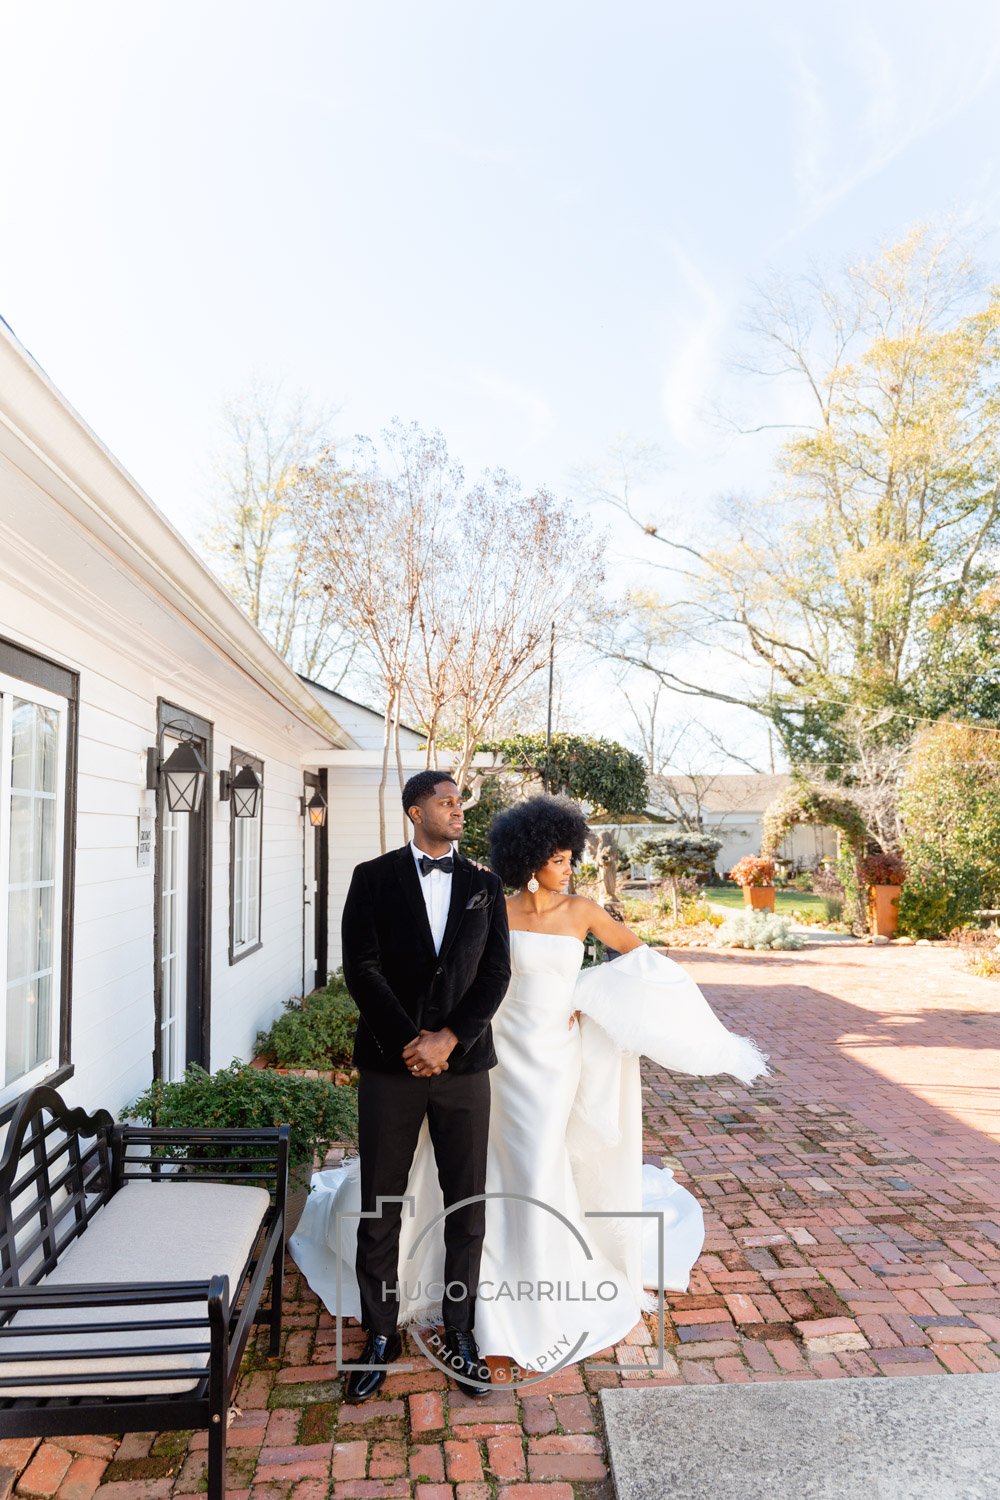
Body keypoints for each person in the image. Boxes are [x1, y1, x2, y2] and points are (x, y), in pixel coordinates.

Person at [291, 794, 767, 1379]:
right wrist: (435, 1036)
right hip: (492, 1050)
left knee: (536, 1160)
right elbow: (471, 972)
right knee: (475, 1171)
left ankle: (529, 1290)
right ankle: (419, 1309)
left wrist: (588, 1001)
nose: (569, 868)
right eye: (561, 858)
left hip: (551, 1056)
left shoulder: (585, 910)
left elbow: (640, 960)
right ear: (531, 857)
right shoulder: (490, 901)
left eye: (572, 858)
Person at [332, 769, 510, 1401]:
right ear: (415, 811)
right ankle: (379, 1332)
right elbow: (361, 966)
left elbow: (495, 975)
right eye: (446, 801)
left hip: (464, 1069)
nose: (458, 810)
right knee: (381, 1201)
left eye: (461, 802)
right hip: (391, 1064)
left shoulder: (485, 886)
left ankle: (460, 1330)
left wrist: (449, 1039)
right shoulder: (371, 878)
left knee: (467, 1203)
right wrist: (413, 1040)